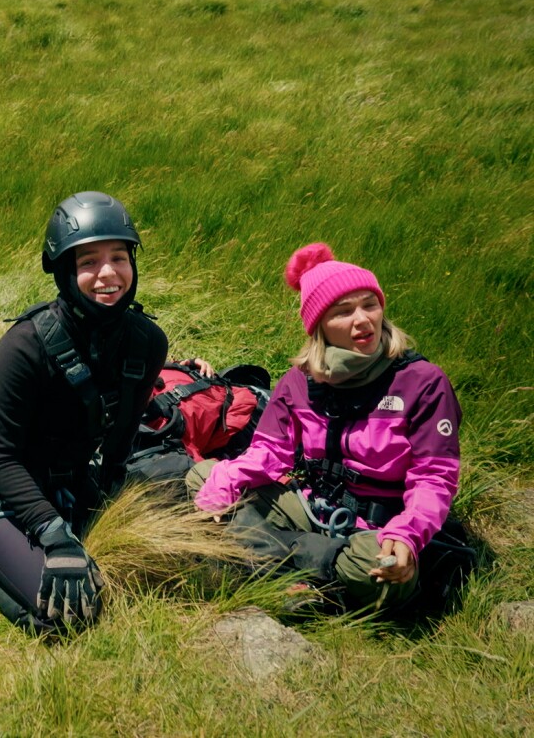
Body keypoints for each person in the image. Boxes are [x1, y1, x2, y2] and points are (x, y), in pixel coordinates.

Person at [190, 243, 463, 610]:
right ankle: (313, 578)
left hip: (382, 531)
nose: (363, 320)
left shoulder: (423, 382)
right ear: (319, 325)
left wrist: (408, 534)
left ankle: (272, 567)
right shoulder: (298, 382)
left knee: (374, 564)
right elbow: (270, 453)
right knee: (204, 475)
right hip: (314, 510)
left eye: (370, 304)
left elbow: (434, 477)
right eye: (343, 311)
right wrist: (228, 480)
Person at [0, 191, 168, 632]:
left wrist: (114, 503)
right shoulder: (24, 346)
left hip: (74, 482)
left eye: (119, 256)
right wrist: (54, 534)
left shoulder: (147, 341)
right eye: (88, 262)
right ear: (63, 271)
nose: (108, 273)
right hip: (2, 494)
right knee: (66, 616)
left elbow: (120, 445)